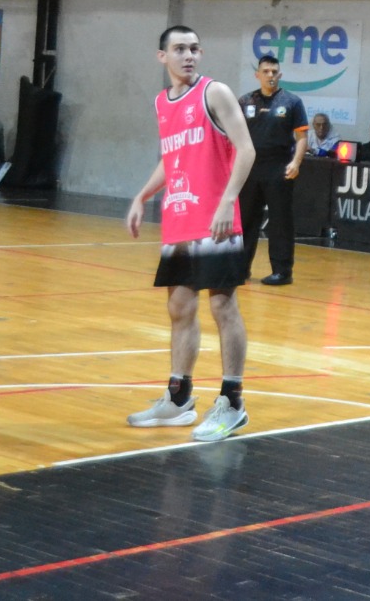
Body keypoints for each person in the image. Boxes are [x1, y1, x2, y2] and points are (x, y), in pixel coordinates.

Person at [124, 25, 257, 442]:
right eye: (180, 49)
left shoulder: (214, 93)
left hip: (216, 219)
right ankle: (179, 398)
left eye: (195, 49)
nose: (189, 56)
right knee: (180, 307)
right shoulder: (162, 102)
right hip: (180, 217)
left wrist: (228, 200)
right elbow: (172, 156)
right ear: (162, 56)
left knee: (223, 306)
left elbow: (246, 149)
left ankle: (233, 403)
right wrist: (143, 195)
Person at [238, 53, 308, 286]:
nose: (270, 75)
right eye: (266, 71)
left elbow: (302, 137)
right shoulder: (245, 101)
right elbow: (234, 135)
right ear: (257, 75)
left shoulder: (292, 102)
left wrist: (296, 163)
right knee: (246, 219)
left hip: (279, 167)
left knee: (280, 221)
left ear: (280, 75)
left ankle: (282, 271)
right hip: (250, 167)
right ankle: (240, 268)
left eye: (274, 72)